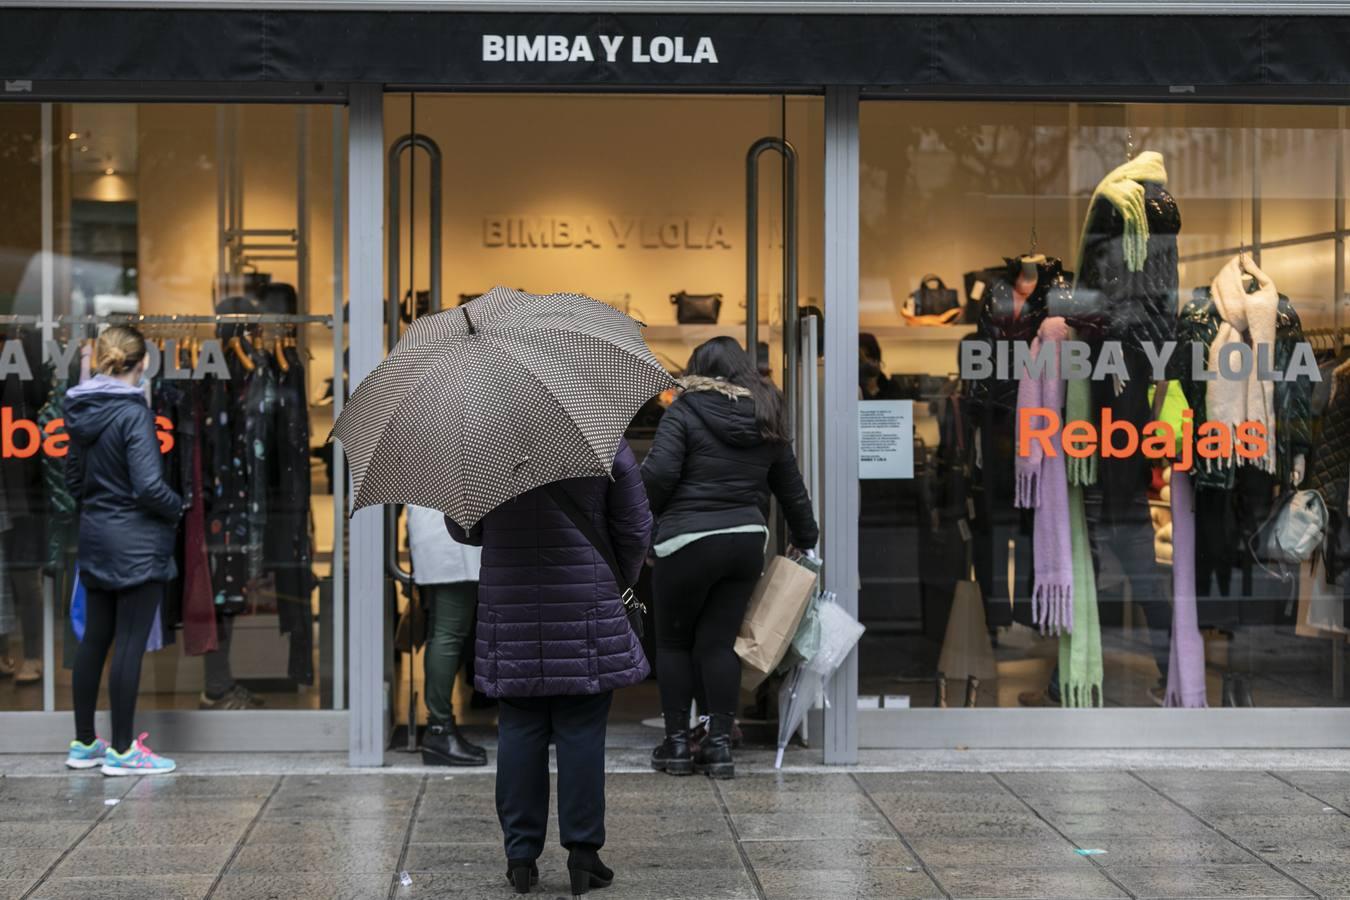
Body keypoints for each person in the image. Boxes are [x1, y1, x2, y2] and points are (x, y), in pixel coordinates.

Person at [446, 440, 651, 896]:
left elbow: (464, 529)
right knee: (581, 728)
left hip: (511, 604)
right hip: (586, 604)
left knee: (519, 727)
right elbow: (636, 528)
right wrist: (622, 579)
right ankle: (583, 856)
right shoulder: (604, 443)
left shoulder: (483, 447)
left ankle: (520, 858)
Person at [642, 336, 818, 779]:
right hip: (743, 540)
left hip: (684, 541)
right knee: (719, 644)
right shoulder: (766, 413)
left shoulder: (682, 411)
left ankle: (678, 745)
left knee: (674, 643)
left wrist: (646, 522)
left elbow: (659, 476)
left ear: (697, 368)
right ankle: (719, 746)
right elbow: (790, 486)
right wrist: (805, 536)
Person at [64, 325, 182, 776]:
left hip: (96, 534)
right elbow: (149, 485)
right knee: (130, 642)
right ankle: (122, 751)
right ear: (143, 363)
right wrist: (178, 508)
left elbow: (74, 480)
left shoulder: (80, 407)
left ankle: (83, 743)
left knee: (95, 639)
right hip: (136, 541)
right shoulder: (133, 413)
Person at [407, 504, 486, 766]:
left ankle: (439, 727)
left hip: (439, 539)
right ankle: (439, 728)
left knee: (441, 632)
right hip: (452, 544)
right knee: (448, 634)